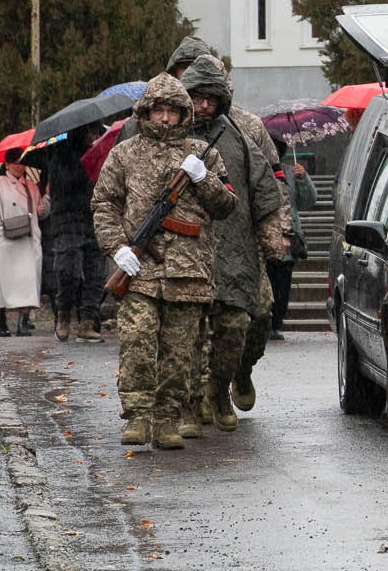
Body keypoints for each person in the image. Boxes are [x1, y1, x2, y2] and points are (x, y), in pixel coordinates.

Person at [92, 74, 236, 450]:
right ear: (145, 111)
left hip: (189, 272)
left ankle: (167, 418)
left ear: (184, 114)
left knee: (180, 353)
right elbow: (104, 204)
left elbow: (226, 207)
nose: (165, 118)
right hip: (139, 270)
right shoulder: (125, 153)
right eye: (159, 110)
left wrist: (204, 179)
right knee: (137, 342)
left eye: (173, 111)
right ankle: (137, 417)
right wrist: (118, 247)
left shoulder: (205, 153)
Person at [181, 55, 283, 433]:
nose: (203, 104)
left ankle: (229, 380)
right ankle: (194, 401)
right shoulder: (169, 132)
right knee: (187, 332)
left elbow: (266, 184)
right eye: (197, 96)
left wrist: (275, 236)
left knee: (245, 324)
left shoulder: (240, 132)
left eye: (211, 96)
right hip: (184, 248)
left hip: (237, 245)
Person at [42, 136, 102, 343]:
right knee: (68, 271)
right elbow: (63, 183)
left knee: (96, 273)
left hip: (94, 218)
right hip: (66, 221)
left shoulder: (101, 151)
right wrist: (87, 166)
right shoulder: (60, 152)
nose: (93, 137)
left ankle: (87, 320)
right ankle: (64, 312)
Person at [0, 150, 47, 336]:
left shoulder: (31, 186)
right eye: (15, 162)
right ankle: (1, 318)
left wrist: (43, 204)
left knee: (28, 281)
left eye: (22, 162)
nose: (19, 166)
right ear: (7, 164)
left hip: (27, 239)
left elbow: (38, 212)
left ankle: (23, 320)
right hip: (6, 240)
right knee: (3, 281)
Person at [270, 155, 319, 339]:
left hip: (288, 238)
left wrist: (303, 179)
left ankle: (276, 323)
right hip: (264, 237)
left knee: (282, 284)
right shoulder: (256, 168)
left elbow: (309, 201)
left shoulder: (290, 172)